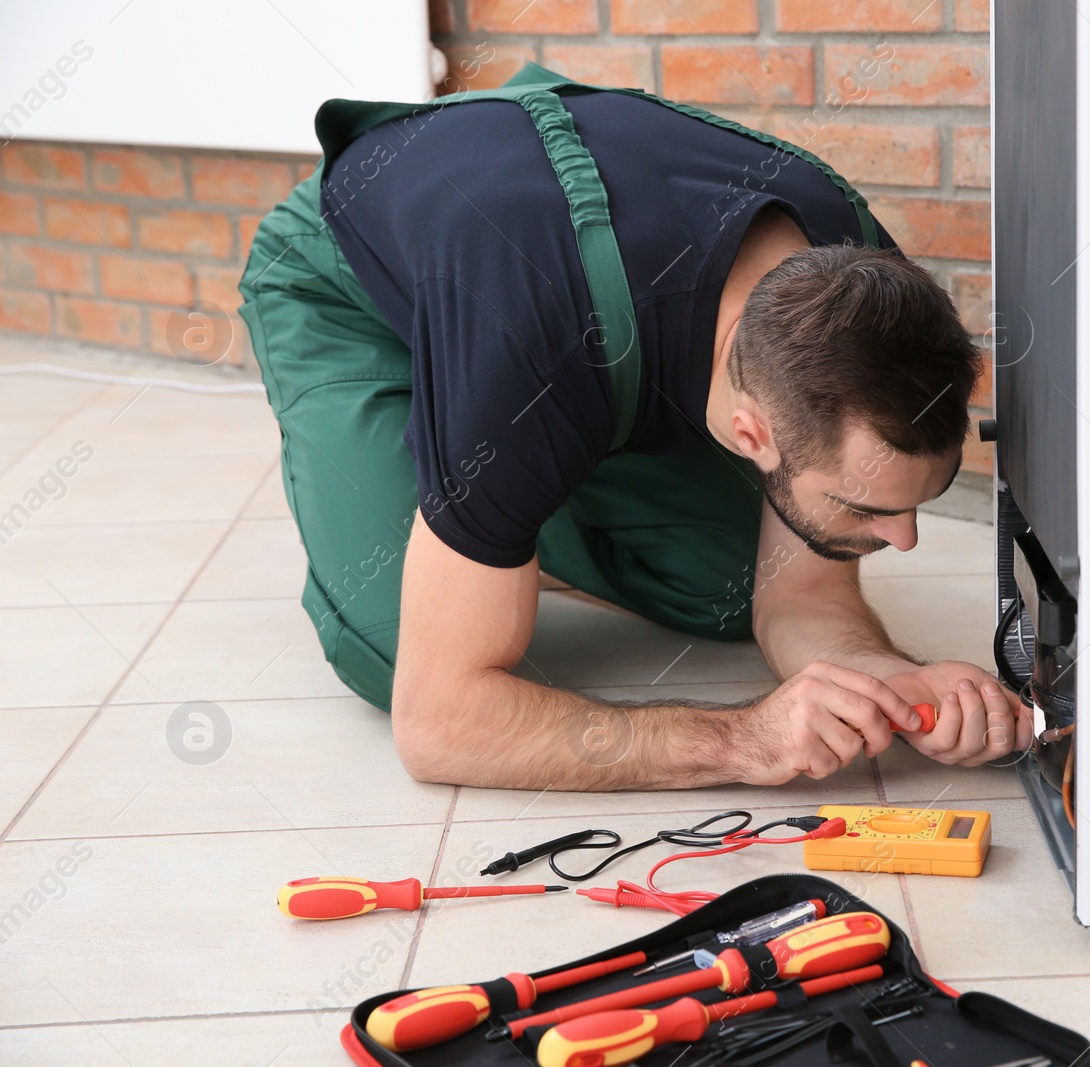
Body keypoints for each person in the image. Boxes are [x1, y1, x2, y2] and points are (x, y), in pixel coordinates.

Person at [237, 63, 1027, 792]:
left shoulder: (865, 297)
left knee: (730, 587)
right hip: (360, 284)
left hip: (549, 293)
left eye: (919, 499)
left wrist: (878, 674)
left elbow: (802, 595)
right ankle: (475, 498)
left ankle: (503, 502)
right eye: (867, 506)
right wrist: (743, 739)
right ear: (751, 433)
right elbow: (437, 723)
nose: (907, 539)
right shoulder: (525, 342)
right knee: (393, 648)